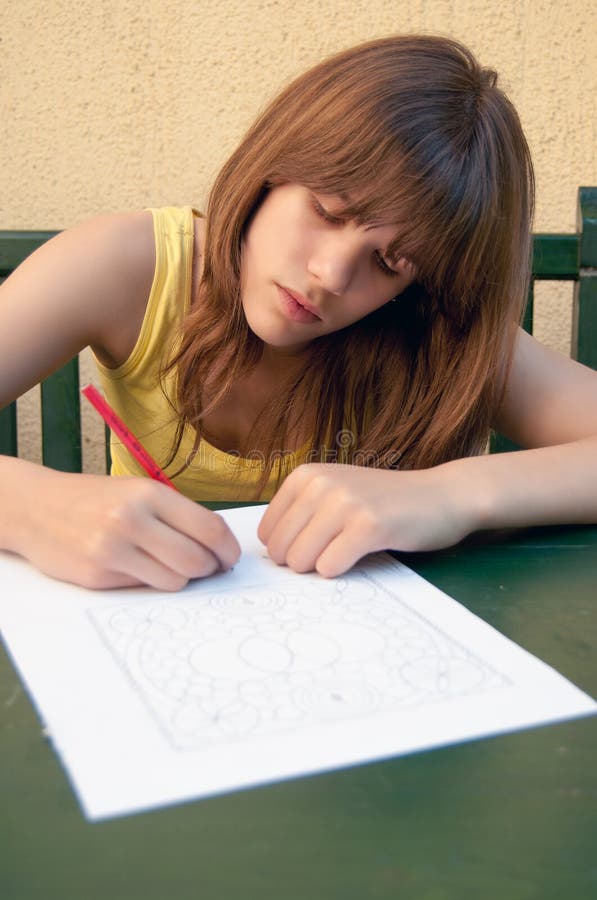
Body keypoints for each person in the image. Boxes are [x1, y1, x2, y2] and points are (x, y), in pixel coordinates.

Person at [1, 35, 597, 592]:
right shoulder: (128, 265)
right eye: (327, 210)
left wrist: (451, 496)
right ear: (271, 168)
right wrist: (31, 508)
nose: (332, 275)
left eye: (391, 262)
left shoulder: (431, 327)